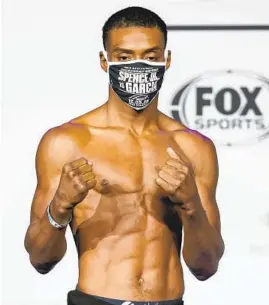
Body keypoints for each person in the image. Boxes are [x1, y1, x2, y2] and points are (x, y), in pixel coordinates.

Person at [24, 6, 225, 305]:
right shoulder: (66, 142)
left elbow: (206, 266)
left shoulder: (194, 148)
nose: (138, 65)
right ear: (104, 62)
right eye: (124, 57)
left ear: (167, 61)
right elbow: (41, 260)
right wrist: (60, 205)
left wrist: (191, 204)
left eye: (151, 56)